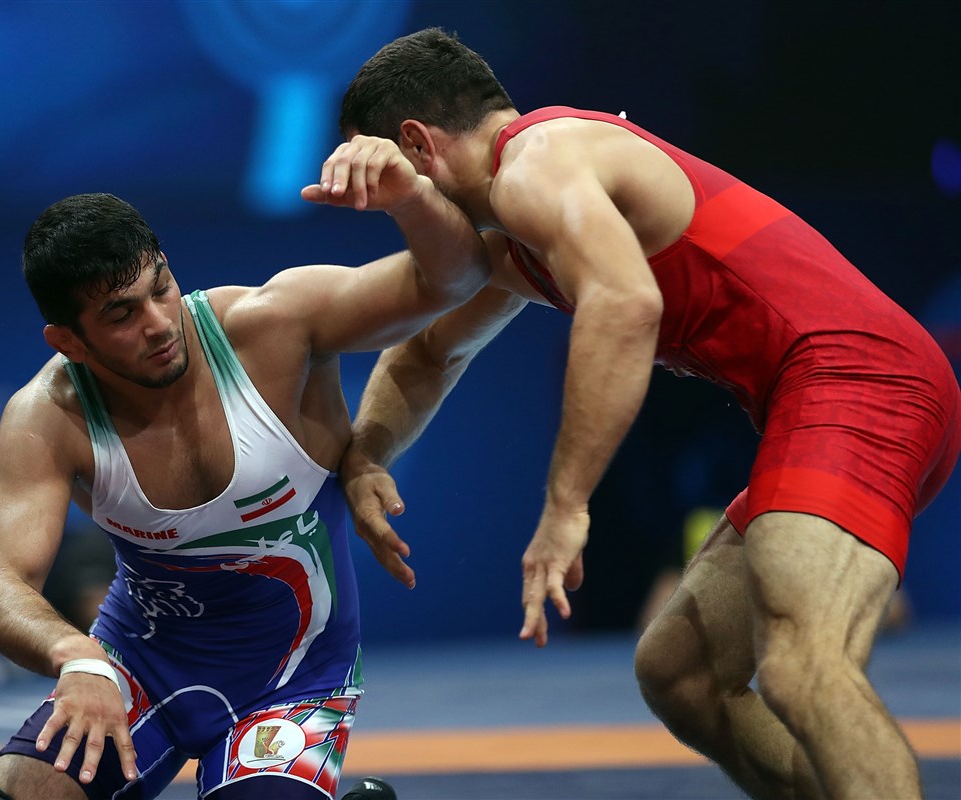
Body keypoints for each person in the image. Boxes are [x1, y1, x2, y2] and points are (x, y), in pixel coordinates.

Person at [331, 27, 961, 800]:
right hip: (829, 394)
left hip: (860, 380)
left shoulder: (537, 163)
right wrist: (365, 458)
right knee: (681, 674)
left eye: (391, 182)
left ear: (417, 146)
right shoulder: (520, 230)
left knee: (802, 666)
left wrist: (565, 506)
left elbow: (626, 304)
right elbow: (428, 352)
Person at [0, 135, 486, 800]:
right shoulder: (48, 416)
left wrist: (413, 198)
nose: (159, 324)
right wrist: (78, 657)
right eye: (121, 315)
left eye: (161, 288)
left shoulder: (274, 324)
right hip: (136, 663)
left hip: (293, 678)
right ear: (68, 341)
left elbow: (457, 278)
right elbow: (0, 591)